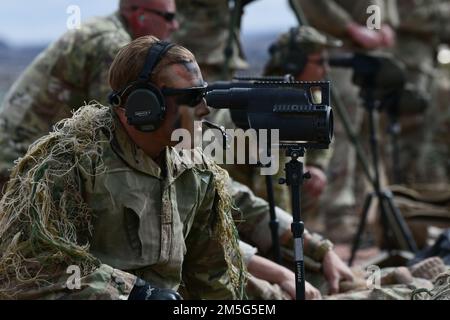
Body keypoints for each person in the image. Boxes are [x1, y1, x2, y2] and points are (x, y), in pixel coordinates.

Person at [0, 36, 246, 300]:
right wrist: (136, 295)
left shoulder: (197, 173)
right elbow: (28, 270)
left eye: (203, 94)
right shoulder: (68, 165)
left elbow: (210, 281)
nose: (204, 109)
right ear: (144, 104)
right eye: (191, 97)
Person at [0, 0, 180, 192]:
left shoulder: (104, 31)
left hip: (20, 152)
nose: (175, 25)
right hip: (21, 162)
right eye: (168, 17)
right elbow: (116, 128)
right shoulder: (112, 46)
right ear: (140, 15)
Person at [297, 0, 399, 243]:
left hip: (373, 54)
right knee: (339, 131)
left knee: (369, 133)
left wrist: (386, 24)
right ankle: (338, 215)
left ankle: (363, 215)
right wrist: (350, 27)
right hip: (337, 50)